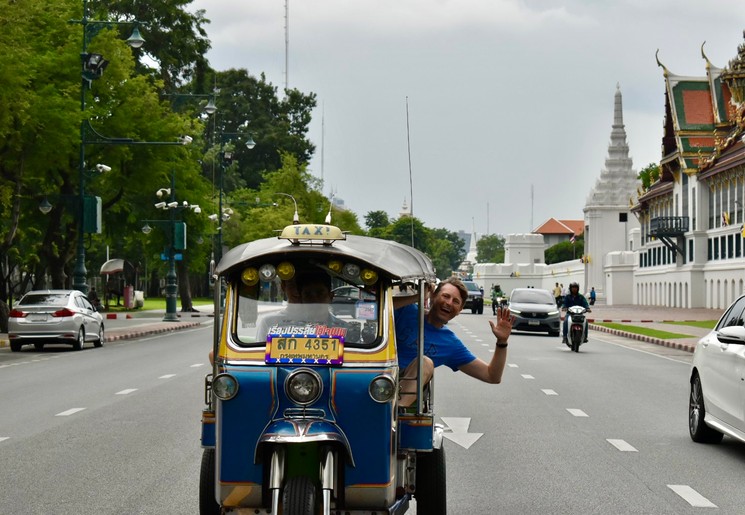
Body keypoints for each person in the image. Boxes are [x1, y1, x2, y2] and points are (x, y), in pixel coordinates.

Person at [394, 277, 514, 407]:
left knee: (425, 362)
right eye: (445, 296)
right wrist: (419, 296)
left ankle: (392, 415)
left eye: (456, 301)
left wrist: (502, 342)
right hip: (378, 373)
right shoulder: (406, 310)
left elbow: (492, 376)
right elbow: (378, 306)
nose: (449, 303)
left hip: (405, 389)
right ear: (433, 296)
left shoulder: (450, 343)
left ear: (459, 310)